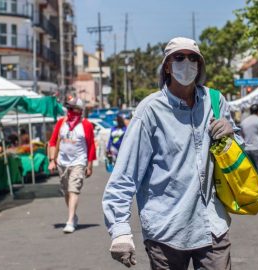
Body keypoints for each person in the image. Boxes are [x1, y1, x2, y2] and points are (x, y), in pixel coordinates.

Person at [102, 37, 239, 269]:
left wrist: (232, 134)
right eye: (179, 57)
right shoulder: (150, 111)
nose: (187, 62)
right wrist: (120, 231)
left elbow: (234, 155)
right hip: (166, 230)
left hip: (211, 225)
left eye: (193, 57)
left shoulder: (215, 102)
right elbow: (126, 173)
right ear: (167, 65)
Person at [48, 96, 96, 233]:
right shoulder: (61, 123)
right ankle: (73, 215)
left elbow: (91, 145)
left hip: (78, 162)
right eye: (68, 107)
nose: (69, 110)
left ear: (79, 110)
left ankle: (69, 221)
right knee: (66, 191)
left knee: (73, 189)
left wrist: (90, 165)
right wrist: (52, 160)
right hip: (62, 162)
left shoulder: (86, 125)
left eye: (71, 108)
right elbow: (52, 141)